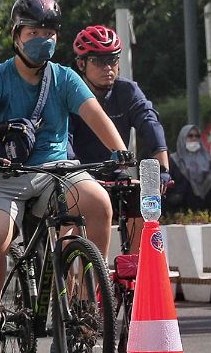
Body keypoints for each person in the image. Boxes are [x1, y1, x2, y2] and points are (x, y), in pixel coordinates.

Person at [0, 0, 130, 353]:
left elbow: (93, 113)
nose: (44, 38)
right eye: (35, 31)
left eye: (50, 32)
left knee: (99, 203)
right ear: (17, 35)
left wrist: (120, 150)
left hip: (56, 169)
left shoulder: (65, 78)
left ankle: (83, 302)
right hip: (2, 173)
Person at [68, 24, 170, 252]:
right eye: (98, 61)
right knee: (67, 222)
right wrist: (71, 169)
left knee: (141, 203)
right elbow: (64, 138)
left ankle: (134, 272)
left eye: (112, 60)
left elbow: (149, 123)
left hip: (113, 173)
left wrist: (162, 169)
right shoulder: (69, 91)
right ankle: (74, 279)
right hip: (75, 174)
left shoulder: (128, 91)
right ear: (81, 64)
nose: (108, 68)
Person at [166, 125, 211, 215]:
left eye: (197, 136)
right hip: (180, 211)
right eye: (190, 136)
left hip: (206, 211)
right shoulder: (174, 161)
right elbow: (168, 187)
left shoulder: (208, 161)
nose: (194, 139)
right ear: (183, 138)